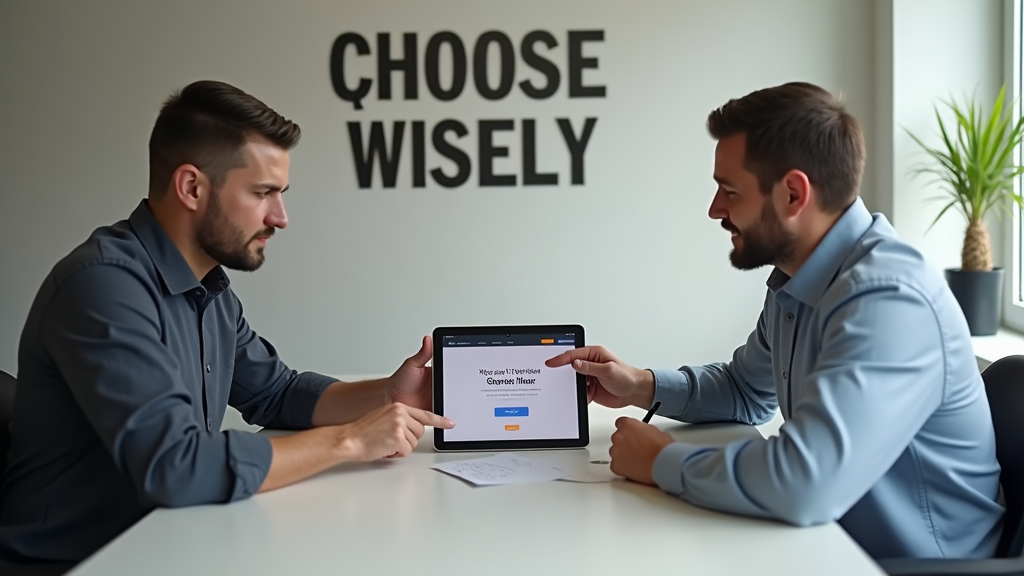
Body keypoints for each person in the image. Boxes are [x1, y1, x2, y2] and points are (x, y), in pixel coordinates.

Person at [0, 80, 454, 567]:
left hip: (167, 544)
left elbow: (276, 393)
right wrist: (349, 441)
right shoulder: (103, 287)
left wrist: (390, 395)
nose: (280, 217)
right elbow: (176, 466)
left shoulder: (209, 288)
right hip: (81, 563)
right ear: (192, 187)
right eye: (263, 193)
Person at [546, 81, 1004, 560]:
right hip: (833, 544)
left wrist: (661, 460)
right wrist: (639, 384)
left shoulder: (888, 300)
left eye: (729, 190)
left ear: (792, 194)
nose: (714, 209)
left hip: (910, 566)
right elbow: (747, 392)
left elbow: (808, 481)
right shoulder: (800, 279)